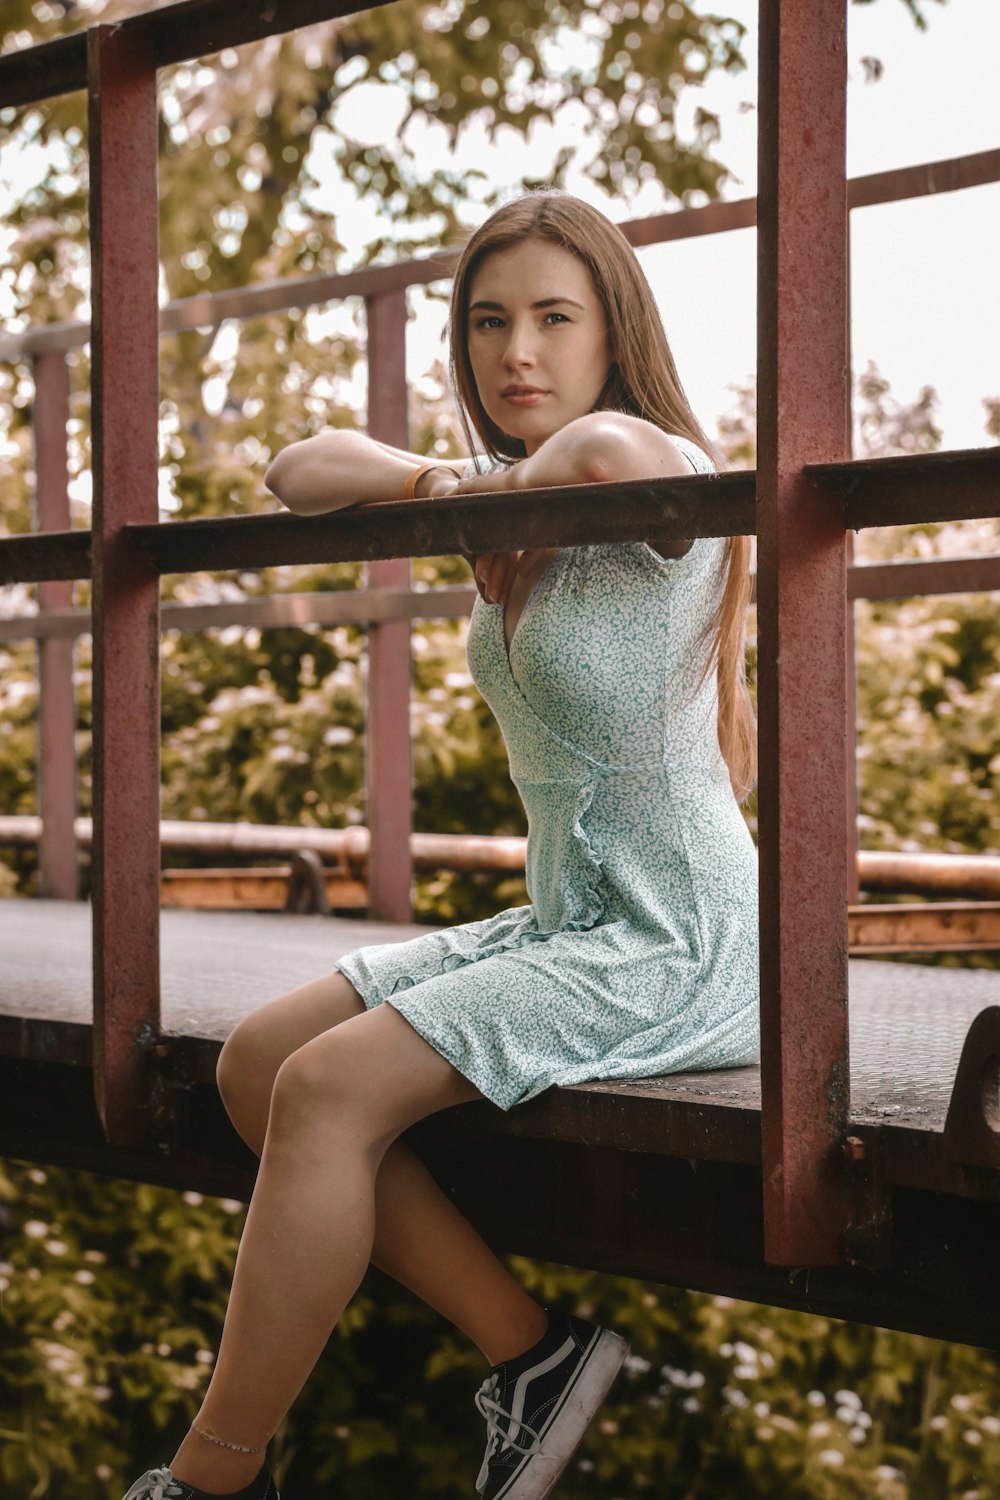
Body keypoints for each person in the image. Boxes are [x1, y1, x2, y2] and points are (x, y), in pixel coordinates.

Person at [123, 190, 759, 1500]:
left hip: (677, 931)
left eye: (553, 318)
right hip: (570, 916)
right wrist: (451, 486)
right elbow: (299, 471)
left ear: (612, 333)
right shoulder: (496, 499)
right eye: (487, 323)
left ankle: (206, 1479)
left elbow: (610, 458)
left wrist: (506, 488)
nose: (515, 351)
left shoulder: (658, 485)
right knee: (257, 1064)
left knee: (327, 1092)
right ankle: (537, 1359)